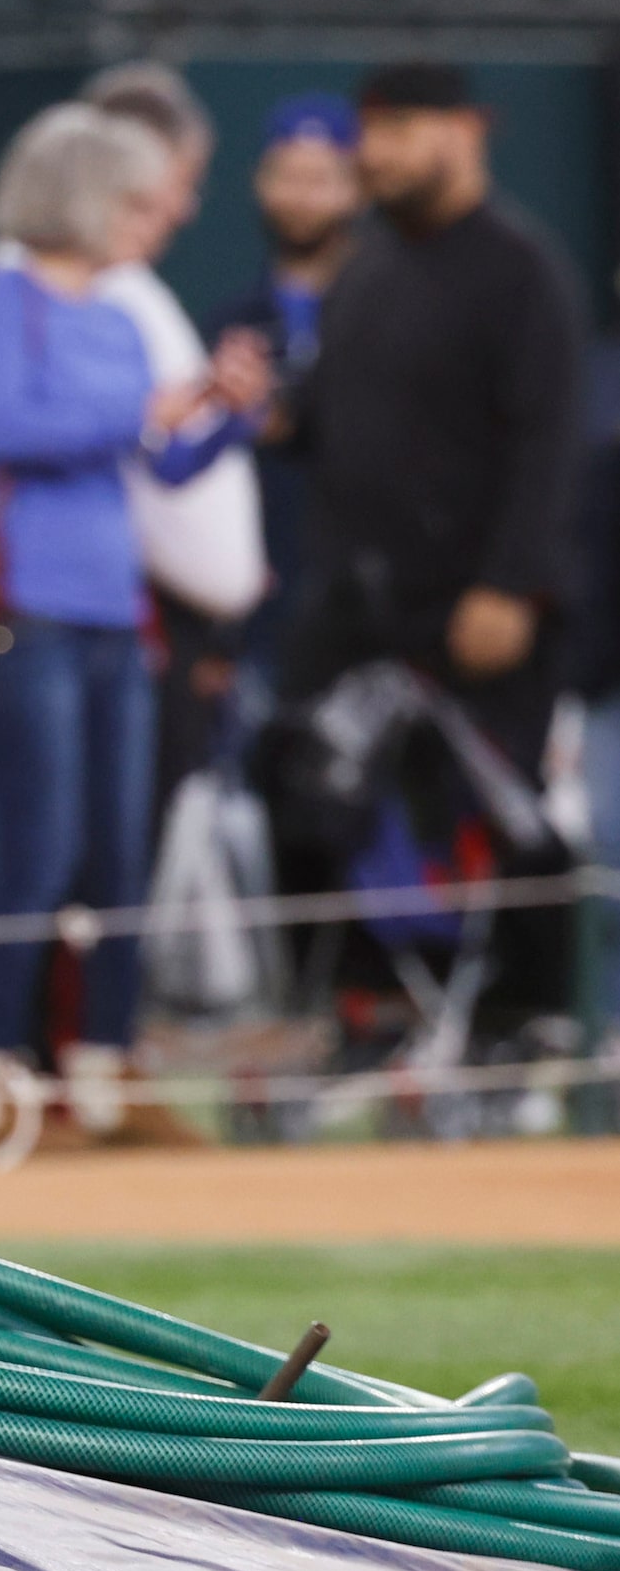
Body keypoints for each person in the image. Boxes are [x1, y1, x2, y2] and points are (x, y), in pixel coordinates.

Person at [0, 104, 272, 1152]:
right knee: (34, 849)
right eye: (135, 200)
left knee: (117, 856)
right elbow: (5, 429)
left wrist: (227, 413)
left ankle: (105, 1074)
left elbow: (161, 464)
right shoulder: (2, 297)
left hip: (114, 613)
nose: (156, 221)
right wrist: (145, 420)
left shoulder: (122, 315)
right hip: (30, 607)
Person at [282, 59, 587, 1041]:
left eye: (403, 126)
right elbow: (331, 420)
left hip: (474, 606)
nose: (377, 150)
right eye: (371, 128)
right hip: (361, 606)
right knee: (323, 799)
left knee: (499, 818)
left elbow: (549, 440)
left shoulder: (521, 268)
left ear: (468, 131)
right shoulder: (367, 268)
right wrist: (269, 417)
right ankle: (370, 1009)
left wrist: (512, 582)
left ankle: (524, 1020)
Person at [78, 64, 268, 812]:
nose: (185, 209)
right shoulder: (58, 290)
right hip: (116, 620)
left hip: (169, 625)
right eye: (176, 184)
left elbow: (168, 452)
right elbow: (145, 458)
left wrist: (231, 410)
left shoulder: (131, 291)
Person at [200, 94, 366, 674]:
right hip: (257, 604)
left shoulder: (395, 309)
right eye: (286, 176)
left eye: (321, 178)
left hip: (371, 599)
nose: (301, 197)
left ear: (358, 186)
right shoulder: (229, 323)